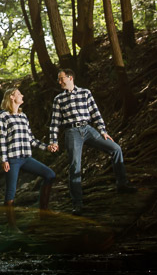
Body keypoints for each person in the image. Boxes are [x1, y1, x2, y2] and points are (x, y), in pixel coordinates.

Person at [47, 69, 136, 215]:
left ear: (70, 78)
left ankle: (122, 184)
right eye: (58, 79)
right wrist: (53, 141)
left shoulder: (85, 93)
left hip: (88, 129)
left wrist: (103, 131)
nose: (59, 81)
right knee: (75, 166)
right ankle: (77, 203)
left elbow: (95, 113)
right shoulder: (59, 99)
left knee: (116, 149)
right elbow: (54, 123)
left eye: (61, 78)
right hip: (72, 132)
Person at [0, 87, 56, 232]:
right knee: (11, 192)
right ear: (11, 97)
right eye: (19, 94)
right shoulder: (3, 116)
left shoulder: (23, 116)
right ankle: (11, 226)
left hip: (26, 157)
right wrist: (4, 159)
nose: (22, 95)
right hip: (12, 159)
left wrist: (47, 147)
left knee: (50, 175)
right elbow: (1, 139)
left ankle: (44, 214)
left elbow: (31, 139)